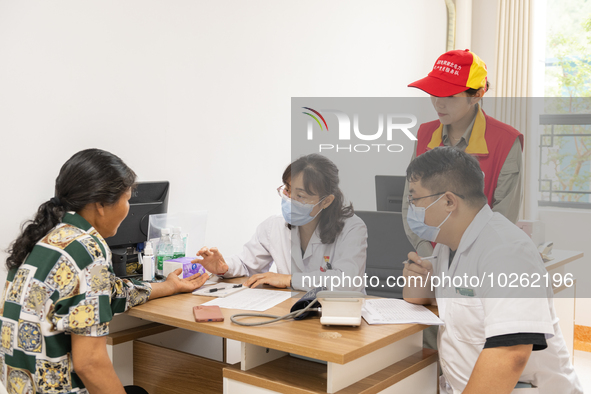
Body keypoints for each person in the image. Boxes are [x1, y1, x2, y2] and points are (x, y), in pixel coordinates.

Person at [1, 149, 208, 394]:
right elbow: (89, 363)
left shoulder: (47, 237)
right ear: (100, 204)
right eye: (127, 199)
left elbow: (108, 292)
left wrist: (170, 286)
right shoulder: (87, 249)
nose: (129, 208)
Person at [402, 146, 582, 394]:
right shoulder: (450, 244)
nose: (411, 209)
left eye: (415, 199)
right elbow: (428, 300)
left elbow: (511, 353)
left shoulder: (506, 252)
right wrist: (416, 275)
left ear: (448, 201)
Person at [402, 49, 524, 258]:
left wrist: (461, 262)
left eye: (449, 95)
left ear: (476, 95)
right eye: (434, 92)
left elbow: (503, 217)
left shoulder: (505, 141)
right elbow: (410, 203)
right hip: (429, 259)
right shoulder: (425, 134)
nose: (438, 103)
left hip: (480, 258)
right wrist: (429, 256)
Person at [195, 154, 368, 292]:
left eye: (300, 196)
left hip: (340, 316)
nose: (289, 199)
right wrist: (223, 267)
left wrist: (289, 279)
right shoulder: (274, 226)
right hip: (290, 313)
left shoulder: (352, 228)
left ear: (326, 201)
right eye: (287, 189)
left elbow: (348, 281)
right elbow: (247, 264)